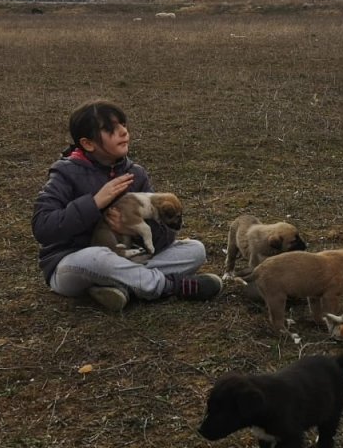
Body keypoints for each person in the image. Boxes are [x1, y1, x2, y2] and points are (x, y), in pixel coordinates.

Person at [33, 100, 222, 311]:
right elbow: (43, 227)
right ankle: (169, 286)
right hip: (74, 264)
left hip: (126, 257)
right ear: (88, 143)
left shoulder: (135, 174)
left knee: (195, 250)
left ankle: (119, 286)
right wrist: (94, 203)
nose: (123, 131)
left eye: (123, 124)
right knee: (97, 258)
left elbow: (164, 236)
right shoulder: (65, 174)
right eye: (110, 128)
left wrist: (131, 229)